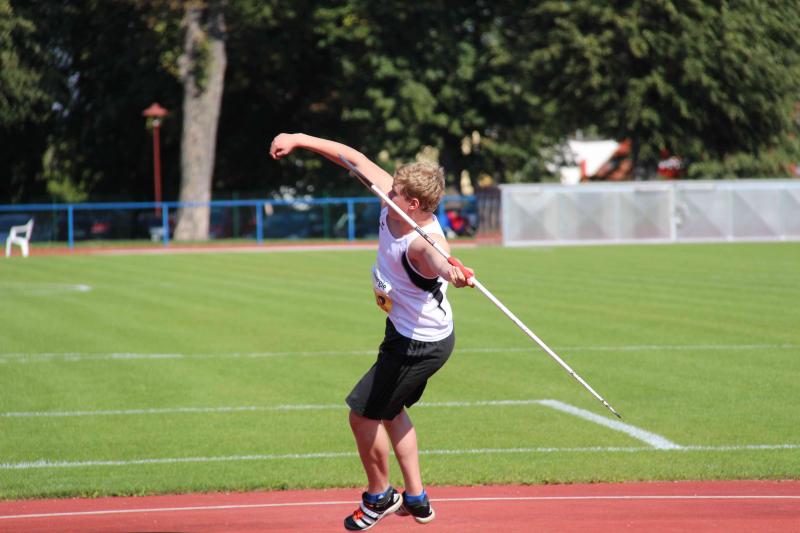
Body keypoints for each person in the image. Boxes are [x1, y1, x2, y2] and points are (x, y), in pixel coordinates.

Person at [270, 133, 474, 531]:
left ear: (414, 204)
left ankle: (380, 496)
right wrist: (298, 139)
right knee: (390, 410)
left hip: (419, 344)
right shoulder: (392, 200)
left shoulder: (422, 242)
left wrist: (454, 272)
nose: (386, 192)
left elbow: (438, 259)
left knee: (363, 416)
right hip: (403, 331)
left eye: (395, 192)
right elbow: (354, 159)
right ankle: (416, 498)